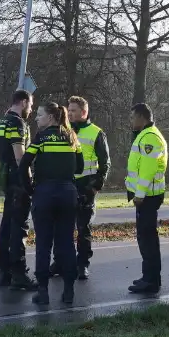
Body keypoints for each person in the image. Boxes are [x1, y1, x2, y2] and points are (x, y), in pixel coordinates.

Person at [19, 102, 84, 305]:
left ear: (51, 118)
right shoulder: (72, 137)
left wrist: (30, 189)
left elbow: (24, 165)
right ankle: (69, 292)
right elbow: (80, 167)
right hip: (67, 194)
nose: (37, 118)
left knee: (44, 244)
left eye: (39, 115)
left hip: (45, 194)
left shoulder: (41, 138)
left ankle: (43, 292)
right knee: (66, 243)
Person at [52, 96, 110, 280]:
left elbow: (105, 164)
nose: (69, 113)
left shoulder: (96, 132)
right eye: (68, 110)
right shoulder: (64, 131)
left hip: (86, 186)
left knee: (83, 228)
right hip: (66, 184)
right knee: (61, 227)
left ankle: (82, 264)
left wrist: (94, 188)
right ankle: (60, 262)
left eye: (74, 110)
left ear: (84, 112)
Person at [0, 89, 37, 290]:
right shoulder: (17, 123)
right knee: (19, 227)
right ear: (23, 102)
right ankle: (19, 273)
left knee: (6, 226)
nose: (31, 109)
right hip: (18, 179)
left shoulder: (1, 122)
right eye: (31, 105)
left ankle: (4, 272)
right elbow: (20, 156)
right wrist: (28, 183)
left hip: (6, 176)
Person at [126, 103, 168, 294]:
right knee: (146, 238)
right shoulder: (145, 135)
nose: (131, 120)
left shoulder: (150, 137)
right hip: (147, 196)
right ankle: (148, 277)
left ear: (142, 117)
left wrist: (139, 194)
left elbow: (148, 169)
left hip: (148, 197)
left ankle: (151, 281)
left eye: (133, 117)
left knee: (148, 239)